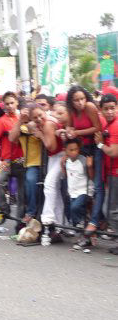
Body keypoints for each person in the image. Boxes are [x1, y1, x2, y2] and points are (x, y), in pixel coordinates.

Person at [65, 85, 103, 248]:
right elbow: (69, 127)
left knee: (94, 188)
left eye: (82, 99)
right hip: (80, 150)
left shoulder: (90, 106)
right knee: (82, 191)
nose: (80, 102)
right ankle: (86, 230)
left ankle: (94, 224)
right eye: (76, 100)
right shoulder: (72, 111)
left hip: (94, 149)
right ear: (71, 102)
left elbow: (98, 128)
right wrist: (67, 132)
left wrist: (77, 133)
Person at [29, 104, 65, 243]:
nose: (39, 119)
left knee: (49, 185)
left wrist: (41, 135)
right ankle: (59, 225)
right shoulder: (42, 122)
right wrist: (34, 125)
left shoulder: (48, 124)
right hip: (53, 157)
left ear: (45, 112)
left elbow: (52, 146)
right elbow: (31, 124)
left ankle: (48, 219)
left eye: (40, 115)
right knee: (55, 190)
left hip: (60, 155)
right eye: (35, 117)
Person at [0, 92, 24, 224]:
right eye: (7, 104)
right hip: (7, 162)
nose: (9, 106)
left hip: (23, 160)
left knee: (22, 194)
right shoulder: (1, 121)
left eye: (12, 103)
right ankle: (3, 209)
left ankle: (20, 222)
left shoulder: (24, 117)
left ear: (17, 103)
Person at [9, 106, 44, 222]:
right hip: (30, 164)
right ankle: (30, 212)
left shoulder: (41, 123)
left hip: (44, 163)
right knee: (29, 182)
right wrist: (19, 120)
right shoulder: (23, 127)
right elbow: (11, 138)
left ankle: (34, 212)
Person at [95, 93, 118, 255]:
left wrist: (100, 144)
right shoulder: (108, 126)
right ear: (101, 110)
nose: (110, 112)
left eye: (112, 108)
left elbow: (113, 152)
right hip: (112, 173)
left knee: (111, 211)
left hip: (116, 173)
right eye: (106, 109)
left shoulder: (115, 126)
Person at [61, 138, 92, 229]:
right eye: (71, 150)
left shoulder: (83, 160)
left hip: (83, 191)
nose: (74, 152)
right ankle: (79, 227)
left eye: (76, 149)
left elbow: (91, 176)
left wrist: (90, 167)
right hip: (72, 192)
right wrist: (61, 164)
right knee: (72, 210)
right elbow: (66, 175)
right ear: (65, 150)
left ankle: (80, 224)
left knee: (75, 207)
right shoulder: (66, 161)